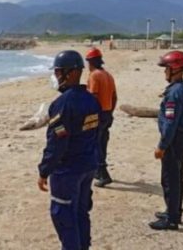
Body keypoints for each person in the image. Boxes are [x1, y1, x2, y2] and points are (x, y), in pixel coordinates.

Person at [38, 50, 102, 250]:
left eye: (58, 72)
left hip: (68, 171)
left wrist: (44, 171)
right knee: (81, 212)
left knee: (64, 216)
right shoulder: (91, 100)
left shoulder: (63, 104)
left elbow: (57, 143)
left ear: (71, 73)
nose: (56, 77)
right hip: (88, 165)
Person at [149, 51, 183, 230]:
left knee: (170, 179)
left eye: (166, 69)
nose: (164, 73)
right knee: (178, 178)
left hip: (174, 141)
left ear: (175, 69)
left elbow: (170, 123)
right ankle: (174, 210)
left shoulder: (174, 93)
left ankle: (171, 218)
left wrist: (162, 145)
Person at [85, 47, 117, 187]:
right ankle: (98, 171)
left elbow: (93, 97)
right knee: (102, 143)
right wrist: (110, 111)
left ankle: (103, 175)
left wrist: (90, 114)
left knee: (95, 144)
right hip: (107, 112)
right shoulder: (108, 75)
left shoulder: (94, 75)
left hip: (98, 113)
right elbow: (114, 97)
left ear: (90, 62)